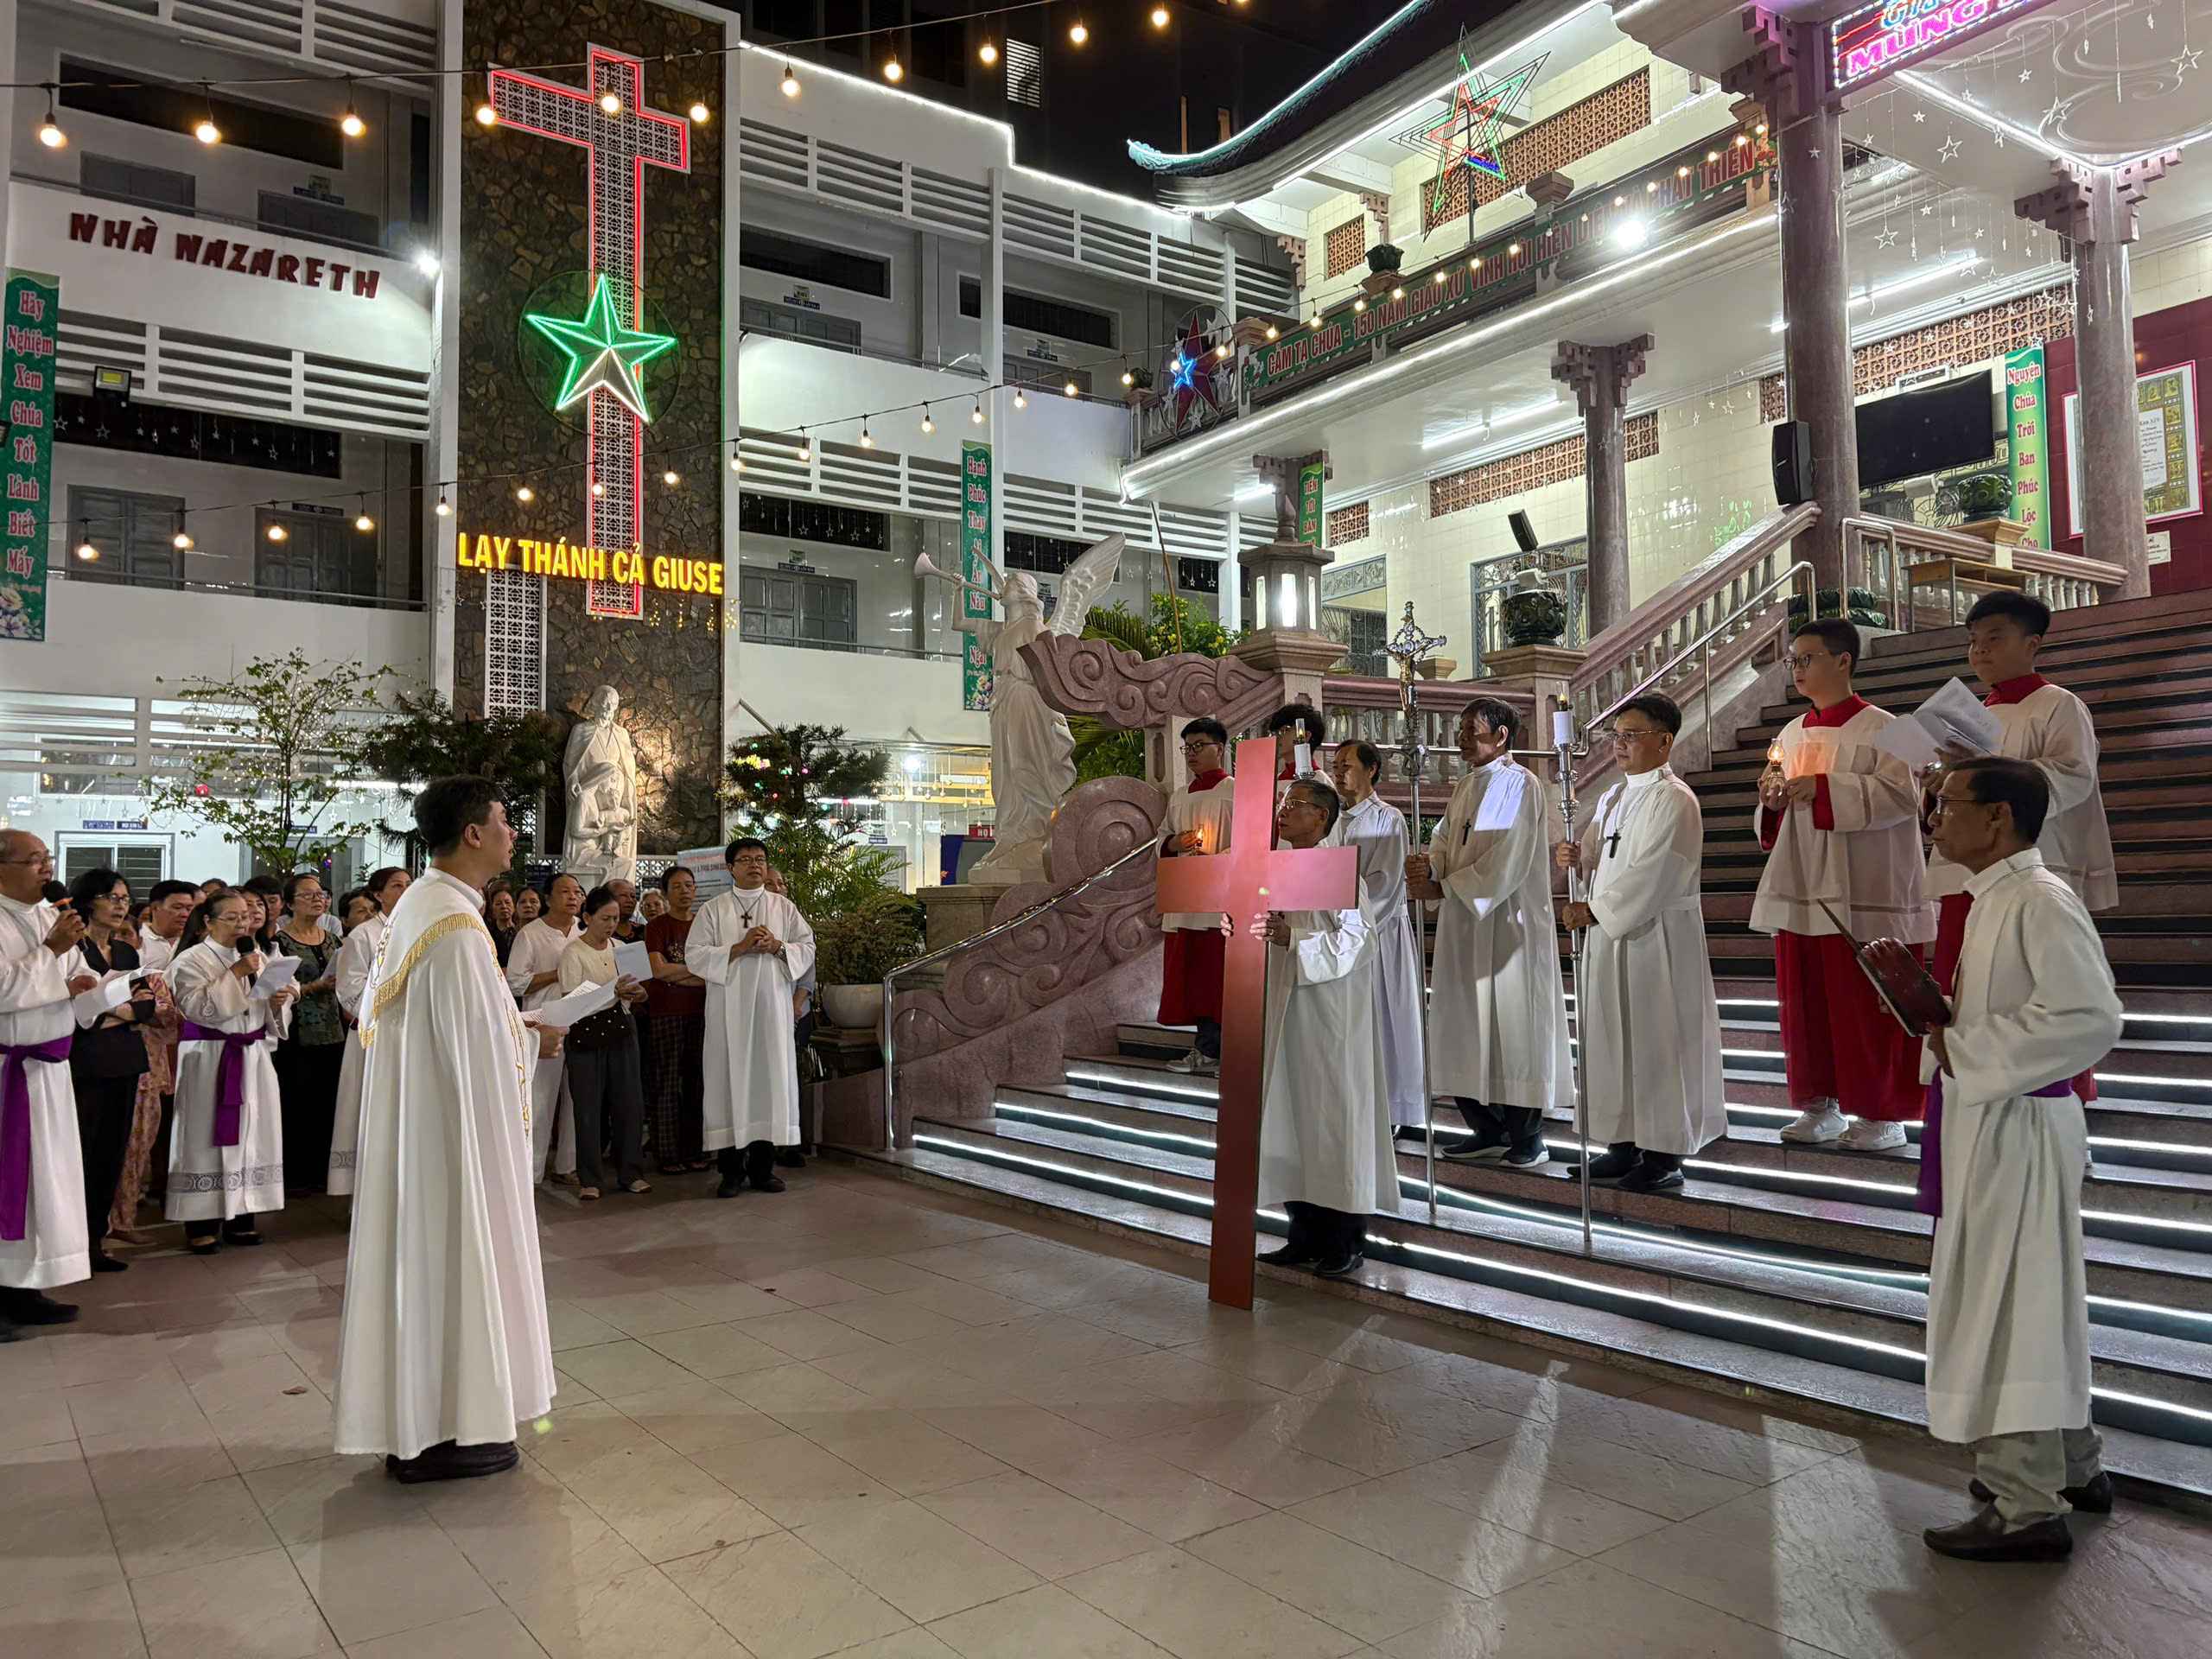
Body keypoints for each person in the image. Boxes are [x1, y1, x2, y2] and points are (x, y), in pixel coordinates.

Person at [1918, 758, 2121, 1563]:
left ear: (1998, 817)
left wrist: (1964, 1047)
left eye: (1946, 803)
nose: (1935, 817)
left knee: (2011, 1309)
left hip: (2021, 1128)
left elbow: (2090, 1016)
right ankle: (2073, 1466)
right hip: (1995, 1121)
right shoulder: (1996, 896)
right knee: (2032, 1300)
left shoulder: (2039, 898)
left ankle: (2026, 1504)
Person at [332, 776, 555, 1484]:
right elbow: (477, 1051)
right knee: (455, 1262)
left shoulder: (426, 907)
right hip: (452, 1142)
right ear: (473, 833)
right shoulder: (454, 928)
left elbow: (451, 1029)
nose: (514, 833)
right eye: (505, 820)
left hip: (425, 1131)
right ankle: (448, 1428)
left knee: (428, 1268)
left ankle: (424, 1422)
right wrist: (534, 1038)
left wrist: (516, 1025)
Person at [1755, 619, 1933, 1148]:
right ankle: (1820, 1106)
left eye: (1806, 658)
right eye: (1792, 660)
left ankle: (1882, 1115)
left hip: (1868, 888)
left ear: (1843, 660)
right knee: (1807, 1003)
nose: (1796, 669)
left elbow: (1911, 798)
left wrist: (1826, 788)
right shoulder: (1789, 733)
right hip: (1804, 883)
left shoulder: (1896, 727)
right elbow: (1776, 804)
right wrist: (1772, 801)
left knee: (1867, 1004)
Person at [1554, 695, 1726, 1193]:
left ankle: (1664, 1155)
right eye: (1616, 736)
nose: (1620, 745)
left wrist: (1595, 910)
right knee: (1614, 1040)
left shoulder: (1676, 799)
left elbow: (1657, 872)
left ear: (1665, 741)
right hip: (1612, 938)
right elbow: (1596, 855)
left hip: (1657, 940)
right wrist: (1574, 855)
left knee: (1657, 1042)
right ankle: (1622, 1144)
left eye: (1631, 735)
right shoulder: (1613, 797)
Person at [1408, 698, 1568, 1167]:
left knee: (1514, 1030)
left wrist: (1444, 885)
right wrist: (1429, 867)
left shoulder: (1521, 784)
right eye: (1460, 729)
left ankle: (1528, 1137)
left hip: (1508, 927)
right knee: (1465, 1025)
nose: (1460, 739)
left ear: (1500, 736)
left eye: (1469, 730)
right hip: (1464, 923)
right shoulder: (1466, 786)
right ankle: (1486, 1128)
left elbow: (1507, 860)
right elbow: (1444, 839)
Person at [1251, 779, 1395, 1281]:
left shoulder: (1340, 870)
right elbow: (1259, 925)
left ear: (1323, 817)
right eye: (1283, 803)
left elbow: (1360, 938)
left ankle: (1345, 1240)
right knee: (1291, 1116)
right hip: (1284, 1007)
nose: (1284, 811)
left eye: (1296, 805)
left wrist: (1295, 940)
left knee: (1334, 1119)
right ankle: (1302, 1233)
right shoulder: (1273, 868)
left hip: (1331, 1013)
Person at [0, 831, 96, 1338]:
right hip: (7, 1074)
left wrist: (99, 987)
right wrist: (52, 952)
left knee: (42, 1181)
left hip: (49, 1072)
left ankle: (25, 1286)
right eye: (34, 860)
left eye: (47, 859)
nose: (46, 868)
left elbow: (78, 975)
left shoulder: (48, 916)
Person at [166, 889, 296, 1253]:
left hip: (253, 1056)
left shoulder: (257, 956)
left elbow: (270, 1010)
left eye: (246, 916)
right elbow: (198, 1008)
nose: (242, 923)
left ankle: (243, 1216)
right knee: (204, 1138)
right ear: (208, 921)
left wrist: (278, 1001)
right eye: (232, 917)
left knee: (253, 1134)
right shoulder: (190, 959)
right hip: (209, 1058)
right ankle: (201, 1223)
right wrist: (236, 973)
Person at [687, 838, 815, 1198]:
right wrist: (739, 948)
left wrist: (778, 947)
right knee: (728, 1083)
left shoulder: (783, 907)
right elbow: (694, 955)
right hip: (728, 1013)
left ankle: (763, 1170)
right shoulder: (713, 910)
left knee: (768, 1084)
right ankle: (730, 1172)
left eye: (760, 859)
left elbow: (808, 947)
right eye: (745, 860)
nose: (754, 865)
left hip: (772, 1011)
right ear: (731, 868)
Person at [1330, 740, 1427, 1140]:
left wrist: (1342, 920)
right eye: (1335, 765)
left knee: (1383, 1020)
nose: (1338, 772)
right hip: (1335, 936)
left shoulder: (1388, 819)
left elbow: (1385, 884)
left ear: (1371, 770)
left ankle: (1389, 1108)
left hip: (1377, 934)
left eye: (1347, 765)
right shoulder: (1328, 819)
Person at [67, 869, 156, 1273]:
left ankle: (95, 1242)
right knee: (81, 1154)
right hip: (83, 1062)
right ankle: (72, 1246)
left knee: (111, 1154)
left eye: (125, 898)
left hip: (124, 1059)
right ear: (89, 901)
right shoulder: (73, 949)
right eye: (112, 898)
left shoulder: (126, 953)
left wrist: (112, 1010)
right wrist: (122, 1011)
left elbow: (146, 1007)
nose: (121, 906)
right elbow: (77, 1014)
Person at [558, 885, 652, 1200]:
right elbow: (572, 1000)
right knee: (588, 1107)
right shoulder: (573, 952)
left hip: (622, 1029)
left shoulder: (622, 948)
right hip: (586, 1034)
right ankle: (590, 1179)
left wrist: (638, 993)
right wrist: (613, 991)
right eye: (604, 919)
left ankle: (631, 1173)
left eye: (615, 918)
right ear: (587, 918)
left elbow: (640, 990)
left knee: (629, 1104)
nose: (611, 925)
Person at [327, 867, 410, 1197]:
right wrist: (396, 1000)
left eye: (409, 885)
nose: (405, 890)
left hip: (410, 1037)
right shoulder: (363, 935)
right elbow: (349, 990)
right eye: (397, 885)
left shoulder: (419, 929)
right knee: (370, 1111)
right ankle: (366, 1195)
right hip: (374, 1036)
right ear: (378, 894)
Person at [1158, 718, 1234, 1076]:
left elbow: (1252, 842)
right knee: (1196, 978)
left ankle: (1229, 1051)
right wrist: (1175, 843)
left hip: (1221, 899)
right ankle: (1205, 1048)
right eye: (1187, 747)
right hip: (1187, 898)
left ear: (1220, 748)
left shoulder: (1236, 791)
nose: (1191, 753)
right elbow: (1163, 838)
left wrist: (1216, 859)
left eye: (1199, 745)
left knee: (1221, 978)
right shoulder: (1179, 796)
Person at [508, 872, 583, 1185]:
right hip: (544, 1022)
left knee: (577, 1098)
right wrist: (558, 973)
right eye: (565, 892)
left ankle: (567, 1165)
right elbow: (515, 983)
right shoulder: (531, 934)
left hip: (582, 1019)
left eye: (577, 892)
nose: (573, 897)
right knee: (540, 1098)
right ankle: (532, 1172)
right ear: (548, 898)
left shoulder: (584, 930)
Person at [273, 873, 345, 1194]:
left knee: (327, 1101)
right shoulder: (280, 943)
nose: (318, 899)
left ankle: (322, 1171)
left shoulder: (333, 940)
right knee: (298, 1101)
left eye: (321, 894)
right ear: (290, 903)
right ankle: (296, 1175)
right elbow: (277, 990)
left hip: (332, 1028)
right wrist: (315, 986)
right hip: (297, 1031)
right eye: (308, 895)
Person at [645, 865, 712, 1174]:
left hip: (702, 1012)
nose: (685, 891)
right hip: (666, 1012)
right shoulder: (657, 927)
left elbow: (714, 971)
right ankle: (668, 1154)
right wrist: (696, 971)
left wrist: (679, 974)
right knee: (667, 1083)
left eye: (689, 885)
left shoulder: (705, 925)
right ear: (666, 893)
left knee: (698, 1084)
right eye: (677, 886)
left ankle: (695, 1150)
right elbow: (658, 970)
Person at [1264, 702, 1328, 786]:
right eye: (1273, 732)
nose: (1276, 737)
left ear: (1305, 736)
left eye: (1284, 730)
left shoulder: (1320, 783)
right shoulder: (1276, 780)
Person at [486, 882, 519, 967]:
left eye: (507, 902)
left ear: (514, 906)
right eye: (498, 904)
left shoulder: (521, 931)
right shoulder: (487, 934)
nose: (504, 906)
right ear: (492, 909)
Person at [607, 877, 642, 945]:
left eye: (633, 896)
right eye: (624, 895)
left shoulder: (643, 931)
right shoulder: (599, 931)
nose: (630, 900)